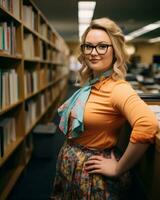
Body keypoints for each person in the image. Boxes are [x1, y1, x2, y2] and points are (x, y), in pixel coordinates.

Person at [51, 17, 158, 200]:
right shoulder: (92, 83)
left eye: (102, 46)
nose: (94, 52)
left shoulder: (118, 88)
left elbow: (148, 125)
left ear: (115, 50)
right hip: (71, 165)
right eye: (88, 46)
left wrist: (118, 168)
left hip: (90, 174)